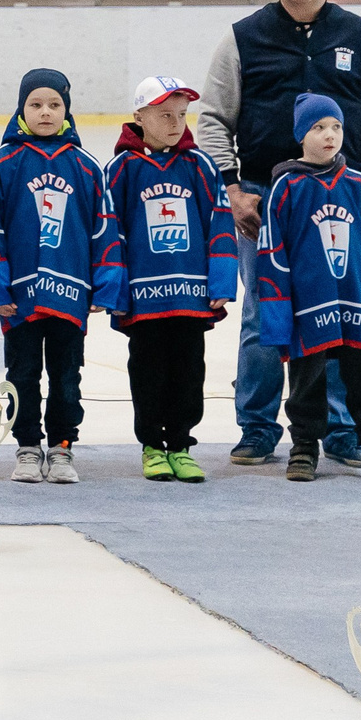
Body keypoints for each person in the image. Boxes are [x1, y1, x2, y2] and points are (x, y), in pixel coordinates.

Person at [197, 0, 361, 468]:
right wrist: (233, 190)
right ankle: (257, 428)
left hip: (343, 205)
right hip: (264, 203)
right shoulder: (243, 37)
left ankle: (341, 430)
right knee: (262, 314)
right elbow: (213, 120)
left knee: (343, 314)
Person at [0, 69, 122, 485]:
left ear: (67, 110)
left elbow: (103, 227)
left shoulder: (86, 166)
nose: (45, 112)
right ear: (21, 109)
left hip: (70, 293)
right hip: (19, 297)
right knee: (21, 374)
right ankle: (26, 446)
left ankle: (61, 447)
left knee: (66, 376)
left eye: (54, 105)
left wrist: (105, 284)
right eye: (36, 104)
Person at [256, 93, 361, 485]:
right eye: (318, 127)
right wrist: (277, 313)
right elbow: (272, 254)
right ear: (300, 135)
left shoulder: (359, 185)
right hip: (309, 307)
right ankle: (304, 448)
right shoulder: (285, 188)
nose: (330, 135)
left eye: (337, 126)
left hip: (357, 303)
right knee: (306, 382)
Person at [105, 75, 240, 482]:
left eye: (181, 115)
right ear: (139, 117)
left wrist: (221, 281)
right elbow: (111, 231)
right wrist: (116, 290)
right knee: (148, 372)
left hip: (189, 296)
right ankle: (152, 446)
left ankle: (180, 445)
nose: (176, 123)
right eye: (164, 115)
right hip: (144, 298)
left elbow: (220, 224)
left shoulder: (200, 165)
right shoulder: (122, 168)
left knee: (189, 372)